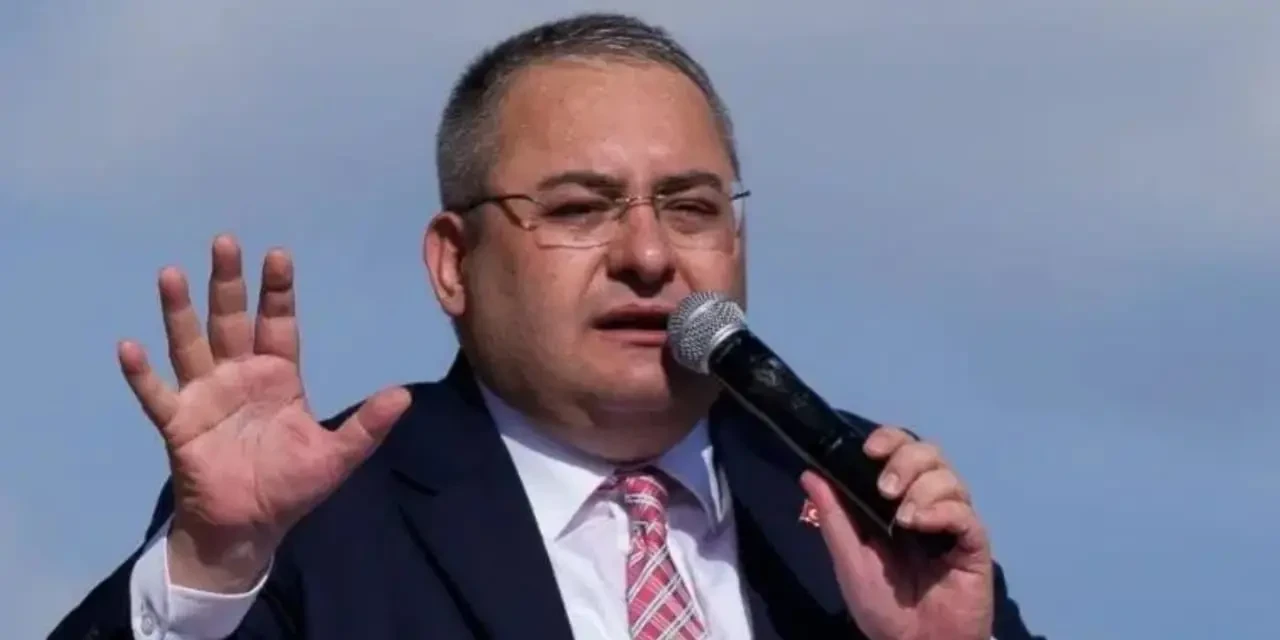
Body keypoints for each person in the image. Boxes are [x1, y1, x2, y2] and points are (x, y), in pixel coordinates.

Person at [50, 12, 1042, 640]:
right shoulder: (321, 520)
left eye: (691, 208)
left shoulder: (857, 505)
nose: (649, 255)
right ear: (454, 263)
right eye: (579, 208)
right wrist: (211, 568)